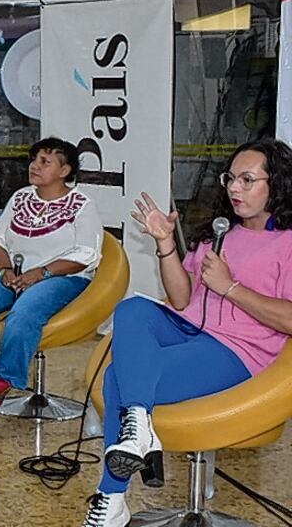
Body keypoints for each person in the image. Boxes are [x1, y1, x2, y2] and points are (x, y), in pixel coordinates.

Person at [81, 140, 292, 527]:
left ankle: (111, 498)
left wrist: (231, 288)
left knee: (116, 377)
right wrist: (165, 243)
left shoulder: (288, 243)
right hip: (188, 329)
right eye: (231, 178)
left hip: (238, 351)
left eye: (248, 180)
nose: (235, 188)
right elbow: (181, 299)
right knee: (131, 309)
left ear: (276, 183)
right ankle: (139, 429)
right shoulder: (220, 233)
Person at [0, 137, 103, 412]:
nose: (34, 166)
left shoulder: (82, 204)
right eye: (34, 160)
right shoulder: (21, 197)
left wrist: (42, 272)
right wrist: (5, 270)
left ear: (64, 171)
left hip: (62, 278)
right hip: (15, 274)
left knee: (25, 310)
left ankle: (6, 378)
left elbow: (87, 253)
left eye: (45, 162)